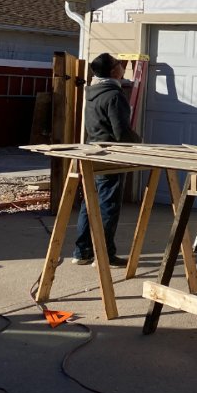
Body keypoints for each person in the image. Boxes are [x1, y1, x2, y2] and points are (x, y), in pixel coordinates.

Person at [72, 53, 141, 266]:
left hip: (93, 152)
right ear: (113, 71)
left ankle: (82, 252)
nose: (122, 68)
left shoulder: (92, 93)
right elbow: (121, 132)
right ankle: (105, 255)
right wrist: (139, 141)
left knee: (89, 204)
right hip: (111, 156)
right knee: (108, 205)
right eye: (119, 65)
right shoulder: (114, 95)